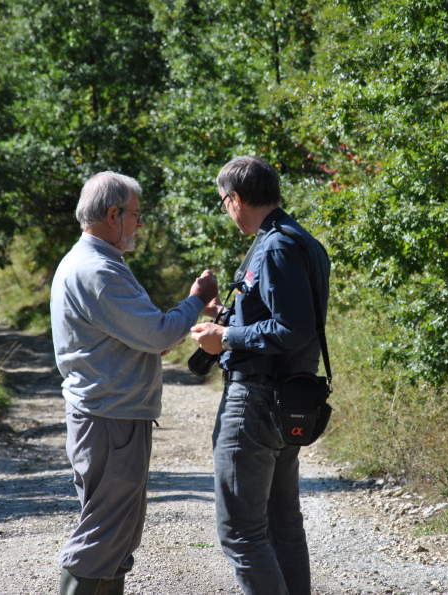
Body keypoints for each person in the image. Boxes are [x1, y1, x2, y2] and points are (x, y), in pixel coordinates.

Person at [50, 171, 218, 595]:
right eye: (137, 215)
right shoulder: (98, 270)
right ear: (113, 214)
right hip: (111, 418)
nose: (140, 224)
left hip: (108, 414)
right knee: (102, 537)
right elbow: (158, 333)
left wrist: (166, 330)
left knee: (115, 537)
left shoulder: (95, 264)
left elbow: (141, 338)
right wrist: (196, 299)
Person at [190, 156, 331, 595]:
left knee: (242, 533)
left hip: (255, 401)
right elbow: (282, 317)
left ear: (235, 199)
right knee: (281, 525)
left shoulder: (275, 247)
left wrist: (225, 336)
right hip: (285, 400)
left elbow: (292, 327)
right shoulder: (301, 240)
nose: (226, 210)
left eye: (223, 202)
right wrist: (224, 315)